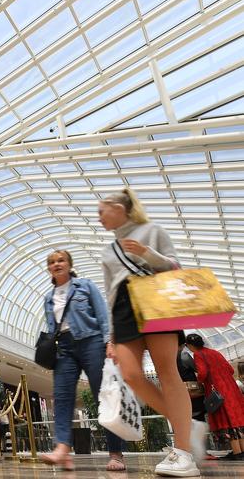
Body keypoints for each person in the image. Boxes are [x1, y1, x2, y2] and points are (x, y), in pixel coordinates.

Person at [100, 187, 205, 477]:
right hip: (122, 305)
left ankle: (184, 454)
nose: (99, 217)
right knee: (132, 375)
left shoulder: (152, 230)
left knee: (166, 370)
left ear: (120, 208)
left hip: (155, 295)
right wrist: (111, 336)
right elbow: (109, 291)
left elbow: (174, 266)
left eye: (102, 210)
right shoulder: (108, 249)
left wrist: (147, 252)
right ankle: (185, 423)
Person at [39, 250, 125, 472]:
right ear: (49, 268)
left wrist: (109, 342)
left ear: (69, 264)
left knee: (103, 396)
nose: (56, 264)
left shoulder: (85, 286)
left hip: (92, 341)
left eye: (61, 260)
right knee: (62, 397)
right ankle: (63, 450)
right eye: (52, 262)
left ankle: (116, 453)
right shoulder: (49, 298)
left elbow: (102, 315)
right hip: (64, 348)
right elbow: (52, 328)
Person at [185, 333, 244, 460]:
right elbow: (231, 369)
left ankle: (237, 453)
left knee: (227, 419)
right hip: (232, 390)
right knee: (236, 419)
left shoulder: (198, 354)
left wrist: (199, 380)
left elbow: (202, 373)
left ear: (190, 345)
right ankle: (241, 450)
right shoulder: (215, 352)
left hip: (218, 391)